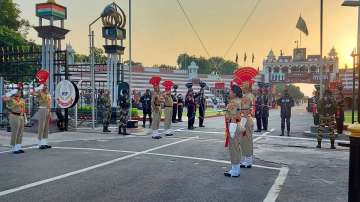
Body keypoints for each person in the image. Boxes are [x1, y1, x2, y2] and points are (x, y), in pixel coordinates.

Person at [224, 84, 244, 177]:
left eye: (231, 91)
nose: (229, 93)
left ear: (235, 93)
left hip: (233, 125)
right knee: (237, 147)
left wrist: (226, 111)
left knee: (234, 148)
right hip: (238, 124)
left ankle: (235, 171)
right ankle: (236, 169)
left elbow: (231, 115)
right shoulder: (239, 101)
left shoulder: (233, 103)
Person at [3, 88, 26, 154]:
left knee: (20, 132)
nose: (19, 93)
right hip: (14, 116)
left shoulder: (22, 99)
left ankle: (18, 147)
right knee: (15, 132)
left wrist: (25, 117)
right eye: (17, 92)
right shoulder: (11, 99)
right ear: (15, 93)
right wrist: (10, 93)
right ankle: (14, 148)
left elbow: (23, 109)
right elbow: (4, 98)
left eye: (19, 92)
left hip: (21, 116)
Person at [239, 81, 255, 168]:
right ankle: (248, 160)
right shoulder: (251, 95)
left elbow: (245, 111)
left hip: (246, 119)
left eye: (242, 86)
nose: (241, 88)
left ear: (246, 88)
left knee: (246, 141)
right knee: (248, 140)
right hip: (249, 119)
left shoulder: (246, 97)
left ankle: (248, 161)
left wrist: (242, 123)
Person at [31, 84, 52, 149]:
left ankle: (44, 143)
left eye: (46, 86)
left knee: (46, 127)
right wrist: (38, 88)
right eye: (44, 86)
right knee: (41, 126)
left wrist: (50, 111)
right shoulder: (40, 93)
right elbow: (32, 93)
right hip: (42, 109)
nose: (46, 87)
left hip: (47, 110)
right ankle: (39, 143)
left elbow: (49, 103)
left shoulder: (48, 94)